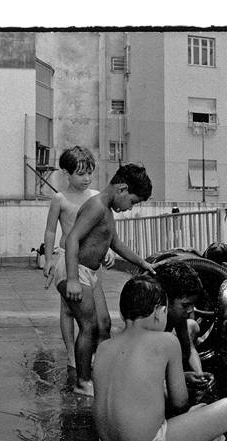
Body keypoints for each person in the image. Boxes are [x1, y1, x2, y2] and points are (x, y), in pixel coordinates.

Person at [93, 275, 227, 441]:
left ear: (123, 314)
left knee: (194, 414)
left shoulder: (104, 347)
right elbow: (179, 401)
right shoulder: (166, 341)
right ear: (160, 312)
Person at [60, 163, 160, 396]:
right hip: (75, 271)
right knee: (89, 326)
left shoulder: (107, 210)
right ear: (122, 189)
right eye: (133, 202)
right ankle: (82, 382)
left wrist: (142, 263)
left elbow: (116, 243)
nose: (130, 208)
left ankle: (96, 370)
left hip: (90, 273)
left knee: (103, 324)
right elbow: (72, 239)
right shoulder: (96, 206)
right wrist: (73, 279)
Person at [43, 146, 104, 388]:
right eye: (80, 174)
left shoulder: (96, 197)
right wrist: (48, 259)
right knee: (69, 310)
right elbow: (50, 230)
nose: (86, 178)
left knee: (90, 314)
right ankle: (72, 354)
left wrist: (107, 251)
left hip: (89, 262)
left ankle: (86, 352)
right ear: (67, 174)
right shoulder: (60, 199)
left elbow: (102, 230)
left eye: (89, 172)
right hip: (66, 259)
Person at [154, 260, 213, 398]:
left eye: (193, 304)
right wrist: (184, 377)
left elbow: (189, 347)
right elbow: (150, 373)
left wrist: (200, 375)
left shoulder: (178, 317)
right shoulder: (153, 324)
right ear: (166, 300)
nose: (191, 310)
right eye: (185, 305)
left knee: (191, 324)